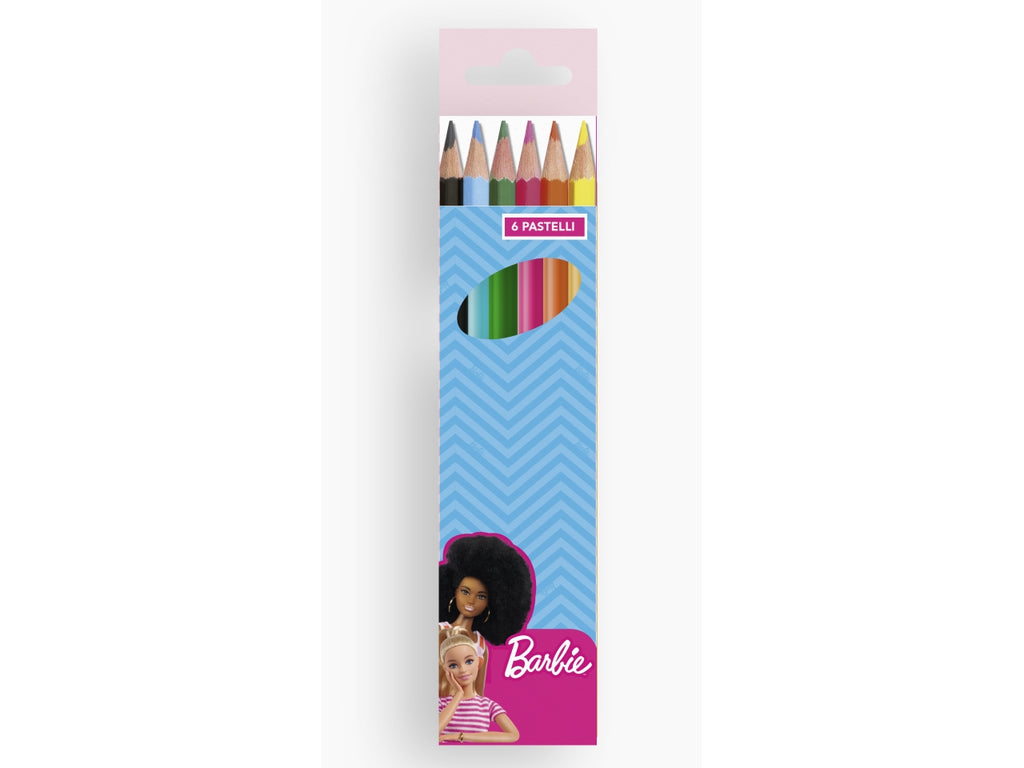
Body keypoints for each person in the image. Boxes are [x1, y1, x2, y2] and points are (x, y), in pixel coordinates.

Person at [438, 534, 534, 696]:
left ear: (491, 603)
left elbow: (478, 693)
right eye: (465, 592)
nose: (471, 600)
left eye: (481, 596)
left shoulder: (480, 644)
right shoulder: (440, 630)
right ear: (453, 591)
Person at [438, 630, 520, 743]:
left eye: (469, 661)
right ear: (446, 669)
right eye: (453, 665)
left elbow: (513, 735)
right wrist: (458, 695)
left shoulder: (487, 705)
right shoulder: (441, 704)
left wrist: (459, 736)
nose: (463, 670)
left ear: (478, 662)